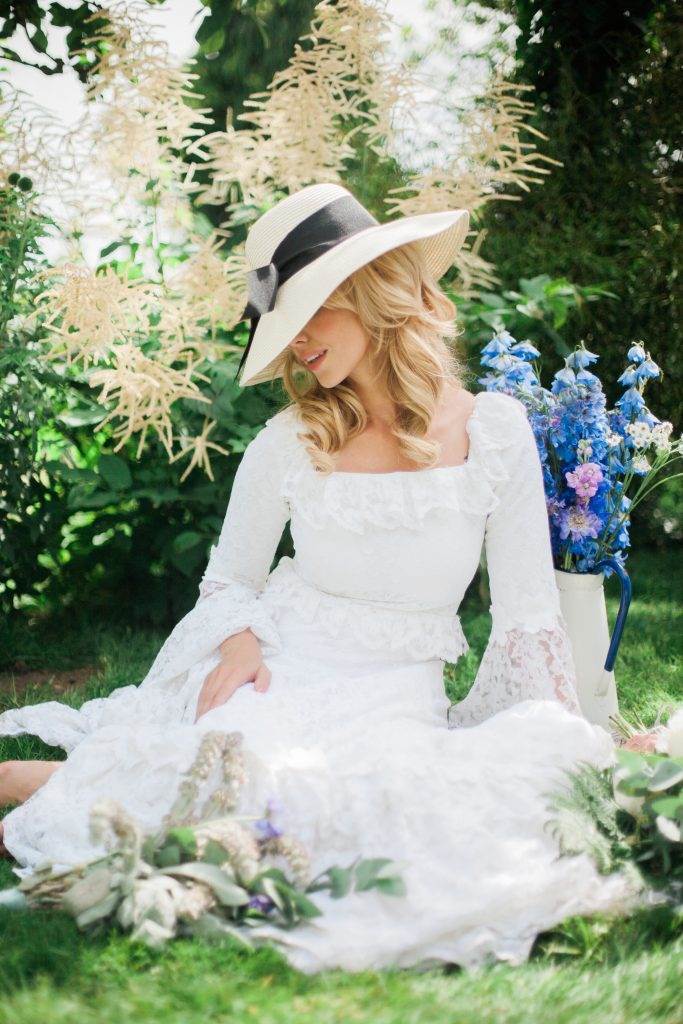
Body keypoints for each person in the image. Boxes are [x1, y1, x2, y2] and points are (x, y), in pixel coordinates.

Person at [0, 183, 638, 973]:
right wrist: (236, 643)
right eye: (284, 321)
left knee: (377, 803)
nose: (296, 343)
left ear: (370, 296)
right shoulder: (287, 439)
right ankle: (28, 781)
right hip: (281, 664)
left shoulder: (494, 430)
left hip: (395, 689)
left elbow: (526, 616)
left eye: (309, 313)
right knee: (240, 787)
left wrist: (561, 735)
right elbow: (228, 579)